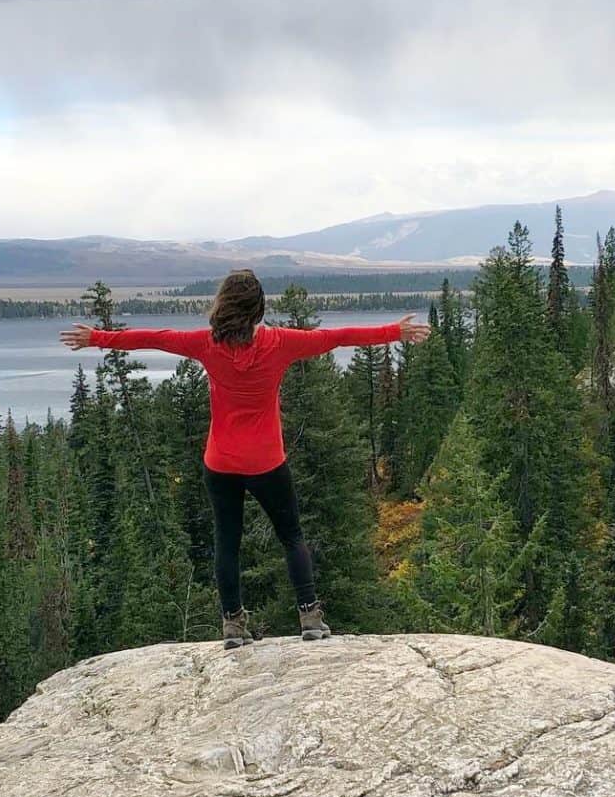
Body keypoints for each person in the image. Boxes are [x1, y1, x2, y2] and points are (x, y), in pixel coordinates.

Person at [59, 269, 430, 648]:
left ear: (224, 306)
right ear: (258, 310)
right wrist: (392, 332)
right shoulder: (281, 343)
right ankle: (310, 618)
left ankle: (233, 625)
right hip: (267, 462)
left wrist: (98, 338)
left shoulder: (206, 345)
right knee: (291, 536)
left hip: (221, 463)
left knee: (227, 542)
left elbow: (156, 338)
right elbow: (335, 338)